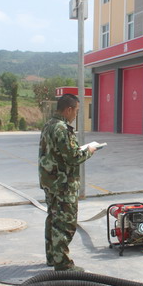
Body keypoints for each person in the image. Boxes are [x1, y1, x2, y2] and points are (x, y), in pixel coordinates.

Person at [38, 93, 96, 271]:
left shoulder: (49, 125)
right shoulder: (62, 128)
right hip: (63, 184)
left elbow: (58, 152)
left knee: (53, 218)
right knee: (65, 223)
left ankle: (52, 257)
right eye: (76, 111)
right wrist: (90, 150)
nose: (76, 115)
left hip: (50, 181)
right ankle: (62, 264)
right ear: (68, 109)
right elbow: (72, 157)